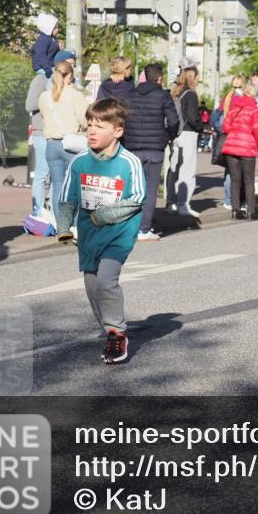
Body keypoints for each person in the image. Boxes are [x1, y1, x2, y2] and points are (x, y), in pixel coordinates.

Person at [55, 98, 145, 365]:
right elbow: (67, 198)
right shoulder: (80, 162)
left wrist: (104, 214)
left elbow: (137, 198)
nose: (92, 131)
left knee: (106, 280)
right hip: (88, 234)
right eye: (89, 125)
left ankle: (118, 333)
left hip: (119, 233)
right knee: (93, 286)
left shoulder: (129, 162)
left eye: (100, 126)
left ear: (118, 131)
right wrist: (63, 226)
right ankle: (109, 331)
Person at [122, 63, 179, 241]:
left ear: (145, 76)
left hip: (132, 148)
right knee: (151, 188)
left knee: (132, 188)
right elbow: (174, 121)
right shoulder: (163, 96)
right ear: (160, 78)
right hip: (155, 149)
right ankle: (144, 229)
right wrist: (168, 137)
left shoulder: (129, 95)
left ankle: (129, 225)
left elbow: (122, 118)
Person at [39, 52, 88, 219]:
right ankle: (73, 224)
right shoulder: (75, 95)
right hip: (71, 145)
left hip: (51, 145)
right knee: (74, 186)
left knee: (57, 185)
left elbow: (44, 117)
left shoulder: (45, 96)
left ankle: (61, 225)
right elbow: (85, 121)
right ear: (70, 77)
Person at [222, 81, 258, 221]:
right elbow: (257, 128)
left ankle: (235, 210)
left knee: (235, 180)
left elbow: (225, 128)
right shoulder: (254, 109)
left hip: (232, 146)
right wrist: (257, 143)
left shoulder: (235, 107)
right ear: (254, 93)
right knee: (249, 180)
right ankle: (250, 212)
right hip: (247, 147)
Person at [166, 62, 203, 218]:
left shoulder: (176, 92)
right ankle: (183, 204)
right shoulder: (191, 94)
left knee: (173, 168)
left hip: (174, 134)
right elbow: (193, 118)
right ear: (193, 77)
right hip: (188, 134)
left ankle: (171, 202)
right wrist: (202, 127)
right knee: (187, 170)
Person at [25, 60, 51, 218]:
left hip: (57, 132)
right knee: (42, 173)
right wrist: (47, 100)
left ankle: (53, 213)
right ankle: (37, 211)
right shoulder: (41, 79)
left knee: (56, 176)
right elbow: (29, 105)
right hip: (41, 131)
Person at [220, 75, 246, 211]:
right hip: (239, 136)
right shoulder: (241, 99)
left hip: (227, 137)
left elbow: (218, 118)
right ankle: (234, 201)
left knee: (229, 170)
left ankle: (227, 200)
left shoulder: (227, 97)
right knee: (238, 171)